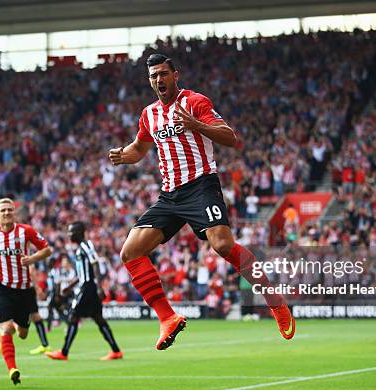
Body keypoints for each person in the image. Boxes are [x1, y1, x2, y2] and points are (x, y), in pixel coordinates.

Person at [108, 53, 295, 350]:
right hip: (170, 195)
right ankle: (167, 318)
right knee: (130, 252)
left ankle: (273, 299)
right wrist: (123, 155)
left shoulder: (195, 101)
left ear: (175, 75)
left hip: (201, 186)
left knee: (221, 244)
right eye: (154, 76)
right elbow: (139, 149)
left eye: (163, 74)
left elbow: (229, 137)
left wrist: (196, 124)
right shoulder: (149, 114)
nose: (159, 80)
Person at [0, 198, 53, 385]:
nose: (6, 213)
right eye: (3, 211)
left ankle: (19, 326)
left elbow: (47, 250)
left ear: (14, 212)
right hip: (2, 287)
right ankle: (12, 369)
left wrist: (31, 259)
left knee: (23, 333)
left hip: (24, 289)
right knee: (6, 328)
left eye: (9, 210)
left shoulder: (26, 231)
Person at [46, 222, 122, 361]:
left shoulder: (87, 246)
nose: (69, 235)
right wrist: (70, 286)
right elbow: (82, 273)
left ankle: (64, 352)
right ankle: (116, 351)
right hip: (87, 285)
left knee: (73, 317)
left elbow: (95, 264)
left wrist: (99, 287)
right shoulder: (80, 248)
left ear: (79, 232)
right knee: (99, 319)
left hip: (88, 287)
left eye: (71, 232)